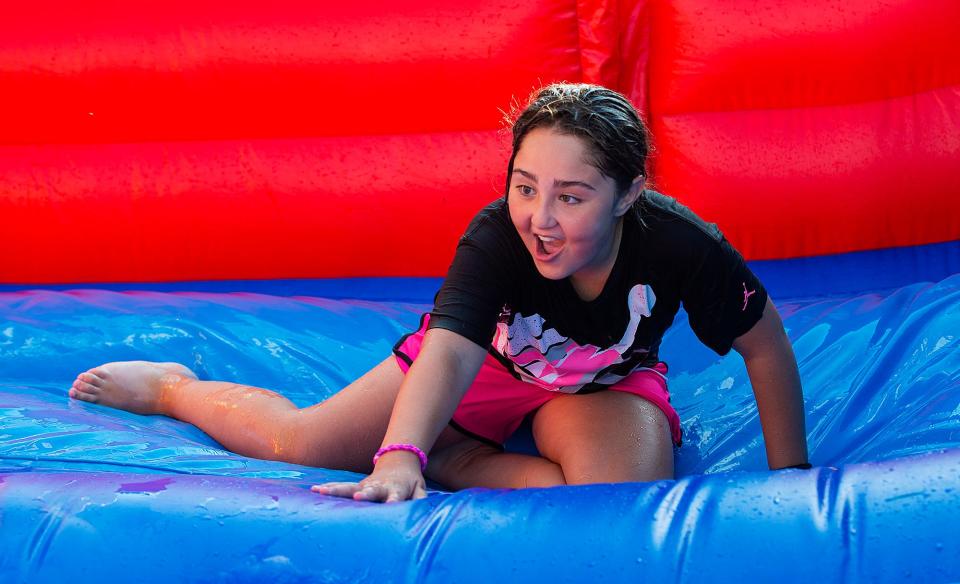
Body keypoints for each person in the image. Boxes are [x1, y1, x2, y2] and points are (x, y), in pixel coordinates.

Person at [68, 83, 809, 503]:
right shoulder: (497, 235)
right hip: (487, 366)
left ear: (628, 195)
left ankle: (460, 459)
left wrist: (792, 480)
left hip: (602, 384)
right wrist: (397, 455)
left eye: (572, 197)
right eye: (525, 186)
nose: (539, 220)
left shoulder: (680, 245)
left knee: (613, 497)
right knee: (302, 443)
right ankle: (175, 389)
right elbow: (451, 352)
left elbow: (764, 343)